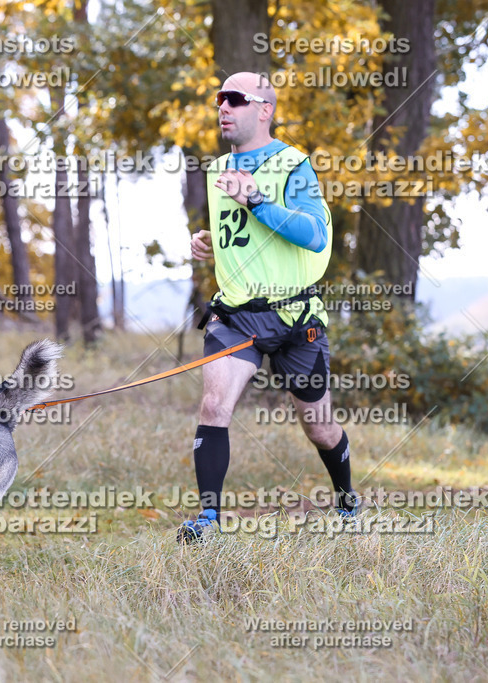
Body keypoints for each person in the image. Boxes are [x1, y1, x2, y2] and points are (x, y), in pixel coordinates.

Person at [180, 71, 355, 543]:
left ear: (265, 109)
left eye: (235, 99)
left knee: (319, 428)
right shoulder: (217, 170)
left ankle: (346, 500)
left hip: (297, 317)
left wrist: (256, 198)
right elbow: (246, 239)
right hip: (236, 315)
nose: (223, 107)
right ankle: (208, 521)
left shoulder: (292, 164)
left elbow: (314, 235)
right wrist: (212, 244)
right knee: (214, 404)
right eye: (219, 99)